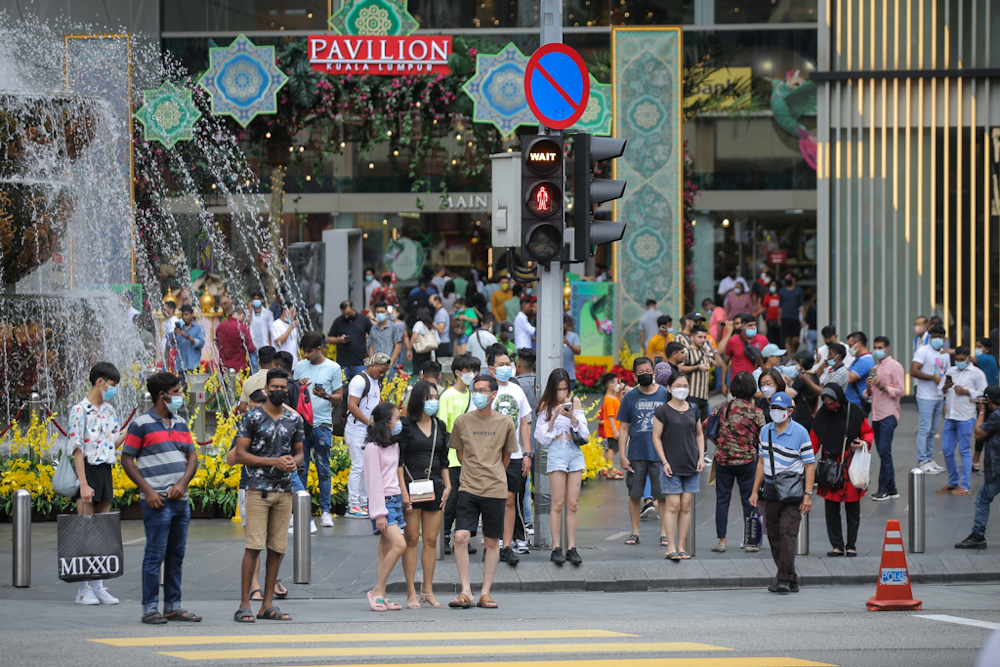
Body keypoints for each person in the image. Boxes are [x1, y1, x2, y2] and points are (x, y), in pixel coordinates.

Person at [121, 372, 200, 624]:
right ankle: (150, 608)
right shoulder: (141, 424)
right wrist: (147, 490)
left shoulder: (180, 422)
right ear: (161, 395)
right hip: (157, 501)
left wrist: (182, 483)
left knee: (176, 555)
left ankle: (172, 606)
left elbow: (192, 456)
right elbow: (126, 458)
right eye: (176, 392)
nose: (180, 396)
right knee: (155, 555)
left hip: (180, 499)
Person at [232, 369, 304, 623]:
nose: (280, 391)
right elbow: (240, 454)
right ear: (266, 388)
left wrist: (292, 463)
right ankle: (244, 604)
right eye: (275, 387)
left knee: (277, 548)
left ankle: (267, 605)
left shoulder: (294, 420)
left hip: (284, 491)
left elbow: (299, 453)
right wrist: (273, 461)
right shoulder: (252, 417)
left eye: (284, 388)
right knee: (253, 546)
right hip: (258, 489)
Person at [448, 374, 517, 609]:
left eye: (482, 390)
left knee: (491, 541)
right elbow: (459, 452)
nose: (477, 394)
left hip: (495, 489)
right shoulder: (462, 421)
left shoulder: (505, 423)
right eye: (474, 390)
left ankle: (485, 592)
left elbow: (506, 457)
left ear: (493, 394)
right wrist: (473, 469)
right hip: (468, 486)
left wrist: (493, 471)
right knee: (461, 536)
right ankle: (466, 590)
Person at [68, 362, 127, 605]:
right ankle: (83, 589)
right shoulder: (79, 410)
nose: (113, 390)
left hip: (105, 470)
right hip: (88, 471)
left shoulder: (110, 411)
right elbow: (77, 449)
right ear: (100, 382)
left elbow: (113, 442)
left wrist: (130, 433)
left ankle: (99, 585)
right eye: (112, 385)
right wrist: (83, 483)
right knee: (85, 529)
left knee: (102, 531)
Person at [750, 391, 815, 594]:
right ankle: (790, 577)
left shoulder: (801, 432)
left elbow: (810, 466)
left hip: (793, 491)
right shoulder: (765, 431)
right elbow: (760, 462)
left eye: (780, 409)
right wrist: (754, 491)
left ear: (790, 411)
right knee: (774, 534)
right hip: (770, 490)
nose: (776, 412)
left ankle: (783, 578)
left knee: (788, 532)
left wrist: (807, 495)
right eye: (773, 408)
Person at [398, 381, 451, 609]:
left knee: (430, 541)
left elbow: (444, 461)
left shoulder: (440, 425)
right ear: (419, 399)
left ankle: (427, 590)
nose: (433, 400)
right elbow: (398, 462)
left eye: (435, 396)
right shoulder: (405, 425)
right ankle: (411, 591)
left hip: (434, 487)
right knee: (411, 540)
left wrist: (448, 486)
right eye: (429, 396)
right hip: (411, 486)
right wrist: (403, 492)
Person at [810, 383, 873, 557]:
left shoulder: (854, 412)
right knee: (831, 508)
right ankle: (837, 545)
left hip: (849, 467)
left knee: (853, 507)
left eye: (833, 401)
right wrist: (804, 461)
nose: (830, 405)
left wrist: (864, 443)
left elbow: (867, 432)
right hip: (830, 466)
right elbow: (813, 442)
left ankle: (851, 544)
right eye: (826, 401)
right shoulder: (822, 416)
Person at [534, 368, 588, 565]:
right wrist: (554, 417)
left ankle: (572, 547)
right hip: (557, 451)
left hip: (574, 452)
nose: (562, 394)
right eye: (559, 389)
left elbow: (584, 434)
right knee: (557, 503)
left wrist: (572, 416)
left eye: (565, 389)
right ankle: (556, 546)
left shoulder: (575, 402)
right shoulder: (545, 405)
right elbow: (541, 437)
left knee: (573, 504)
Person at [485, 346, 532, 565]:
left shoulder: (516, 389)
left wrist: (527, 452)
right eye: (501, 364)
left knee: (511, 500)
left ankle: (506, 546)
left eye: (508, 364)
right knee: (491, 501)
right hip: (490, 456)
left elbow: (524, 423)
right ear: (491, 368)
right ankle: (490, 545)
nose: (506, 368)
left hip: (514, 454)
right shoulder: (484, 390)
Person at [709, 371, 764, 553]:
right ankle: (750, 541)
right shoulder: (756, 412)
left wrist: (720, 445)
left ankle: (722, 540)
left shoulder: (721, 407)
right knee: (750, 499)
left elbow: (707, 428)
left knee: (722, 499)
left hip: (723, 460)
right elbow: (762, 437)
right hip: (747, 460)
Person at [617, 357, 670, 546]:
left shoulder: (664, 394)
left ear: (654, 373)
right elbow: (623, 428)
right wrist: (622, 455)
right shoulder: (630, 397)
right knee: (634, 494)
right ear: (634, 375)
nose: (645, 375)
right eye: (641, 373)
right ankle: (635, 532)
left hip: (659, 454)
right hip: (636, 454)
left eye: (648, 371)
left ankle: (665, 532)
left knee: (662, 495)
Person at [652, 373, 704, 560]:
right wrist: (664, 461)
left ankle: (682, 546)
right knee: (672, 505)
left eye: (685, 385)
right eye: (678, 385)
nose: (682, 388)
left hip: (691, 464)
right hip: (671, 466)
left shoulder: (694, 409)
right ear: (669, 388)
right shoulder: (662, 411)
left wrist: (701, 457)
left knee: (686, 505)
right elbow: (656, 438)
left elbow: (699, 434)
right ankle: (670, 547)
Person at [294, 332, 344, 527]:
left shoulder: (333, 367)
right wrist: (298, 386)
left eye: (309, 351)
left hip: (323, 424)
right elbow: (293, 393)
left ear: (319, 349)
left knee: (324, 468)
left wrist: (325, 396)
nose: (306, 355)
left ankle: (325, 511)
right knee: (301, 469)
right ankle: (301, 512)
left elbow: (339, 397)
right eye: (304, 351)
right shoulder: (299, 367)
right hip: (301, 424)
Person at [362, 401, 408, 612]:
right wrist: (379, 513)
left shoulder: (394, 445)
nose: (399, 422)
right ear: (385, 422)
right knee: (400, 545)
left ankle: (381, 594)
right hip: (383, 503)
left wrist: (404, 498)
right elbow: (373, 481)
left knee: (385, 550)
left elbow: (394, 476)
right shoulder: (372, 448)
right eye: (396, 419)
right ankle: (378, 591)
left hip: (396, 500)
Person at [438, 354, 481, 556]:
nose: (472, 375)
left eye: (474, 371)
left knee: (469, 501)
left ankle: (463, 536)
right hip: (454, 458)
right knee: (453, 499)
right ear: (457, 373)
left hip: (472, 458)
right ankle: (445, 535)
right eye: (468, 371)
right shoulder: (447, 396)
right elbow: (442, 428)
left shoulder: (475, 395)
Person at [345, 353, 391, 518]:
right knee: (358, 466)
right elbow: (352, 406)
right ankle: (353, 505)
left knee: (367, 468)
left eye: (384, 372)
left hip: (368, 431)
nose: (382, 374)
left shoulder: (375, 381)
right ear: (372, 365)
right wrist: (368, 423)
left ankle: (363, 503)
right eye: (380, 371)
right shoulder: (359, 380)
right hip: (357, 430)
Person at [954, 385, 1000, 550]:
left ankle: (978, 535)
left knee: (982, 500)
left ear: (988, 400)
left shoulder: (996, 415)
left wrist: (981, 411)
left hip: (997, 469)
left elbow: (979, 433)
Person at [939, 346, 987, 496]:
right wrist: (945, 388)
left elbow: (983, 393)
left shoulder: (977, 373)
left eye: (962, 359)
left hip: (966, 416)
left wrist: (967, 392)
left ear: (968, 358)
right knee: (946, 449)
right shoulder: (950, 371)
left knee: (964, 450)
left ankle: (965, 484)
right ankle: (953, 481)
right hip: (951, 416)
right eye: (957, 359)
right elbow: (939, 390)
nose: (959, 362)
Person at [864, 336, 905, 501]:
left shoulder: (895, 366)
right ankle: (892, 488)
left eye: (880, 347)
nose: (877, 350)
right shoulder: (875, 368)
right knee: (883, 452)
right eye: (875, 347)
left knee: (884, 451)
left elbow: (901, 390)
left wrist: (882, 386)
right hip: (876, 413)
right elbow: (867, 394)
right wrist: (870, 385)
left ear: (887, 348)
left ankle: (883, 489)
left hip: (889, 413)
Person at [910, 326, 951, 474]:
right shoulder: (923, 351)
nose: (937, 339)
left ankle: (929, 458)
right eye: (935, 336)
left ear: (944, 339)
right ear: (930, 336)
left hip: (939, 396)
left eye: (940, 336)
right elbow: (913, 371)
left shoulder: (944, 355)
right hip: (925, 396)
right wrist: (931, 378)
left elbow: (945, 373)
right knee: (925, 429)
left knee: (933, 430)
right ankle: (922, 460)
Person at [677, 324, 724, 423]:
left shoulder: (703, 352)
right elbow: (679, 368)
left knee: (704, 429)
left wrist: (712, 346)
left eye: (704, 337)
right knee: (691, 427)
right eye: (700, 337)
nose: (702, 340)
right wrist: (698, 367)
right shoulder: (687, 351)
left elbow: (719, 363)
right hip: (691, 396)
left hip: (704, 398)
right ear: (692, 337)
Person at [328, 300, 373, 381]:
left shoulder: (363, 319)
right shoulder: (338, 321)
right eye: (344, 314)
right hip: (343, 364)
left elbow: (373, 336)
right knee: (343, 389)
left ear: (352, 308)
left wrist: (371, 356)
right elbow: (330, 339)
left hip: (359, 363)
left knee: (361, 388)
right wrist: (340, 339)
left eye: (348, 314)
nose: (346, 317)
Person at [723, 314, 768, 393]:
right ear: (742, 327)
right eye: (750, 325)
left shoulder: (763, 340)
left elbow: (769, 360)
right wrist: (723, 384)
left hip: (757, 385)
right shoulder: (733, 341)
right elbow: (725, 363)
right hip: (737, 384)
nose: (753, 327)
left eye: (755, 325)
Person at [973, 339, 999, 472]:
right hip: (990, 398)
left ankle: (977, 460)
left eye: (979, 347)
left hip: (989, 401)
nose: (976, 349)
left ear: (987, 349)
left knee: (983, 431)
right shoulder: (991, 358)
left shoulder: (985, 358)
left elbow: (969, 359)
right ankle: (976, 460)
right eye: (975, 346)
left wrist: (948, 351)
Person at [599, 372, 625, 479]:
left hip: (615, 428)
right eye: (616, 382)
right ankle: (610, 471)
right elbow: (610, 416)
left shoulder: (612, 397)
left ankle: (602, 466)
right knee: (611, 449)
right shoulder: (609, 399)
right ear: (611, 385)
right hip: (611, 430)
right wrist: (615, 430)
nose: (618, 384)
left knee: (614, 449)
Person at [216, 305, 256, 372]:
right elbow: (251, 348)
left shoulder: (221, 326)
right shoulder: (242, 327)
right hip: (239, 366)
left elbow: (217, 343)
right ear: (242, 315)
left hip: (224, 366)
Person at [367, 301, 403, 376]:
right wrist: (371, 362)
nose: (380, 314)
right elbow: (371, 346)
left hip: (389, 367)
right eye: (378, 312)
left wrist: (391, 363)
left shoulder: (394, 327)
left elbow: (398, 346)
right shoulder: (373, 328)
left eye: (382, 312)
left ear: (386, 312)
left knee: (389, 386)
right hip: (376, 367)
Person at [239, 346, 275, 412]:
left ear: (259, 362)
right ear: (274, 362)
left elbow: (242, 407)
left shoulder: (248, 381)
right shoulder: (277, 381)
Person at [844, 331, 875, 411]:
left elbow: (850, 378)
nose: (849, 349)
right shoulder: (858, 360)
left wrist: (841, 366)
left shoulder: (865, 361)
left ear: (858, 344)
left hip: (857, 404)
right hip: (852, 403)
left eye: (850, 345)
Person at [777, 274, 805, 353]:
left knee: (796, 339)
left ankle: (794, 352)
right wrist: (779, 319)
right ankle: (790, 358)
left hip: (795, 317)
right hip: (785, 317)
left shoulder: (798, 290)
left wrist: (803, 318)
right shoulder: (781, 291)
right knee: (787, 338)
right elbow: (780, 306)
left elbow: (801, 305)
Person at [174, 305, 205, 371]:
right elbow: (171, 345)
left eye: (186, 314)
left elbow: (201, 343)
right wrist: (174, 334)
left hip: (193, 366)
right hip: (180, 367)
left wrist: (187, 336)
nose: (184, 317)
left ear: (192, 314)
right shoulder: (181, 328)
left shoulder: (199, 328)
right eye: (182, 315)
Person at [408, 306, 438, 373]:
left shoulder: (419, 324)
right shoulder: (430, 324)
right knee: (426, 370)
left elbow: (414, 336)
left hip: (420, 351)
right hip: (428, 350)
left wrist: (409, 349)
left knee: (419, 371)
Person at [761, 279, 782, 346]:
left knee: (780, 337)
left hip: (780, 320)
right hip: (770, 321)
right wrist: (755, 313)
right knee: (772, 338)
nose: (772, 287)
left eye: (774, 285)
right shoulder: (767, 296)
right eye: (771, 285)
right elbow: (763, 307)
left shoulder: (781, 296)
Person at [562, 315, 581, 389]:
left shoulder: (574, 336)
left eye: (563, 324)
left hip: (569, 376)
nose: (562, 326)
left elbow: (578, 351)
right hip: (555, 376)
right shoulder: (552, 336)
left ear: (566, 324)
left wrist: (568, 343)